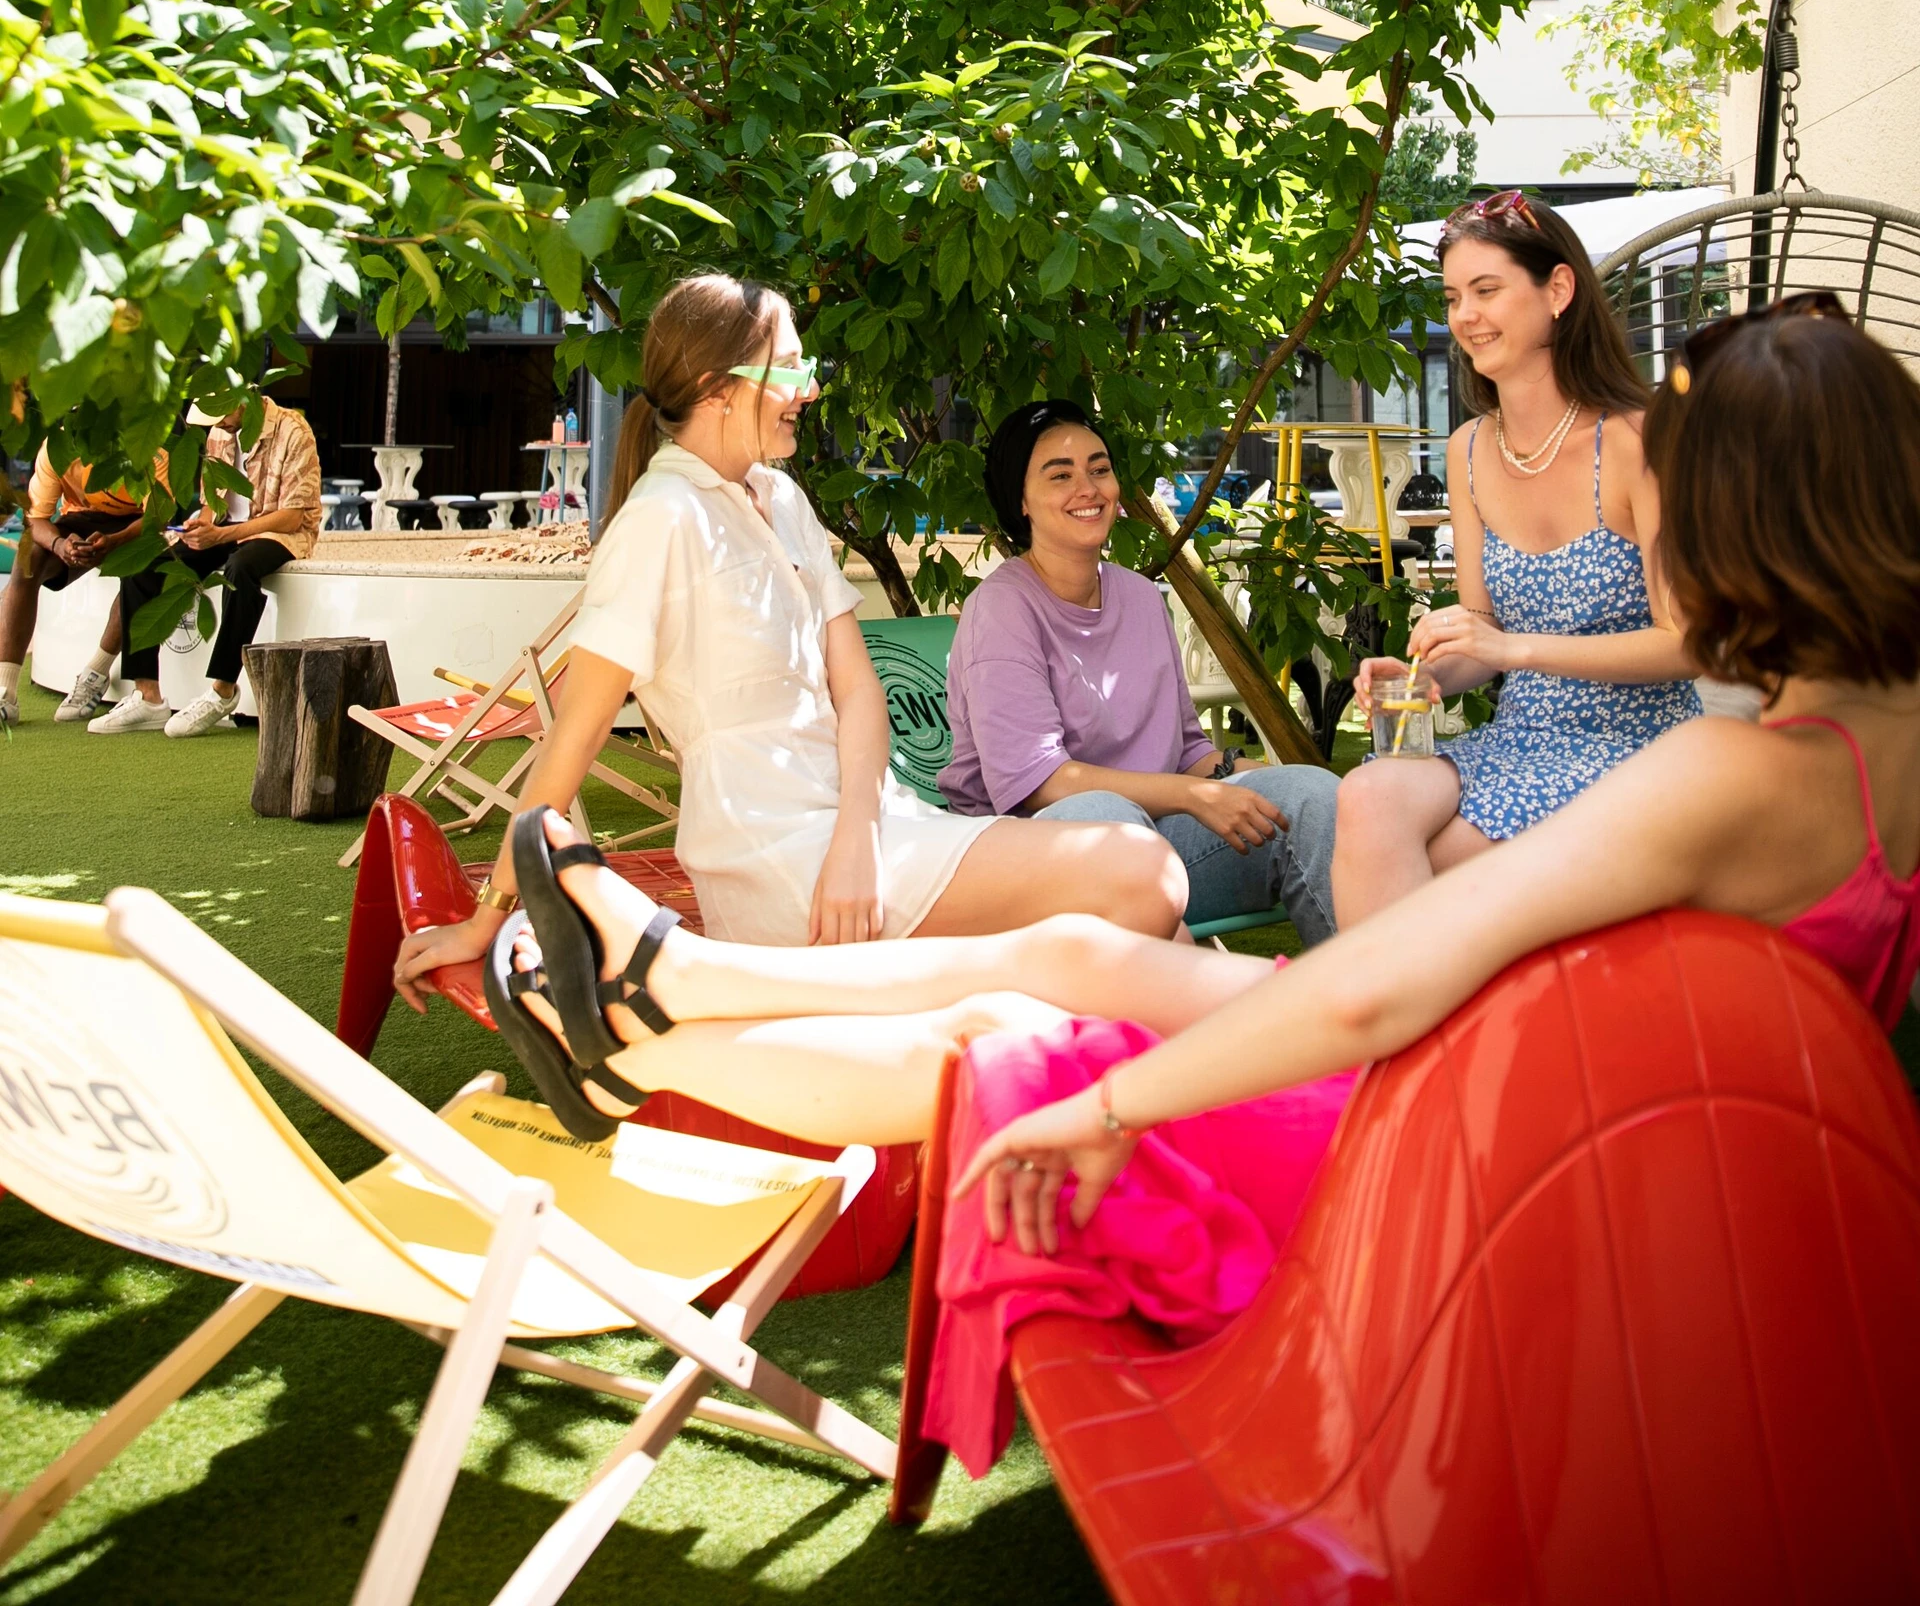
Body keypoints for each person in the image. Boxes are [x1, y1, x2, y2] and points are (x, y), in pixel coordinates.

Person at [450, 297, 1920, 1475]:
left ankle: (640, 1024)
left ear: (1749, 527)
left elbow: (1374, 989)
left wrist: (1113, 1109)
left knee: (1034, 1045)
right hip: (1562, 1112)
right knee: (1083, 952)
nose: (1658, 557)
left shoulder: (1743, 775)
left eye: (1670, 523)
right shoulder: (1871, 734)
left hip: (1499, 1156)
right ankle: (666, 988)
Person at [394, 276, 1189, 996]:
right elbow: (573, 738)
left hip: (871, 830)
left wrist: (857, 837)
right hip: (775, 856)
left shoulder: (780, 499)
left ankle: (1195, 1107)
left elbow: (858, 692)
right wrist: (490, 910)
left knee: (1160, 921)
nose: (808, 393)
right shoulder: (661, 521)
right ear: (717, 389)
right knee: (1138, 871)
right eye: (791, 372)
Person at [1331, 189, 1700, 924]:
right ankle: (1383, 1029)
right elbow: (1483, 635)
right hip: (1521, 738)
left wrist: (1512, 646)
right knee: (1367, 795)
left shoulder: (1638, 438)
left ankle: (1394, 1025)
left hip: (1641, 747)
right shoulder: (1471, 449)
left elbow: (1688, 641)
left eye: (1487, 290)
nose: (1464, 316)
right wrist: (1426, 671)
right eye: (1453, 296)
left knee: (1432, 864)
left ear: (1557, 289)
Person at [941, 401, 1340, 943]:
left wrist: (1245, 774)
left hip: (1154, 841)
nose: (1088, 488)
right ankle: (1198, 1006)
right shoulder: (1003, 608)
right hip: (1031, 855)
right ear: (1021, 501)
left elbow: (1188, 751)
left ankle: (1373, 1009)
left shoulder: (1141, 597)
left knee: (1315, 795)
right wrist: (1193, 797)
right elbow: (1038, 784)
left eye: (1099, 469)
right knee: (1104, 814)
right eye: (1060, 475)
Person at [84, 390, 322, 736]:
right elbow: (214, 500)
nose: (219, 425)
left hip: (279, 532)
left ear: (242, 401)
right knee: (144, 566)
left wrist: (222, 536)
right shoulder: (220, 432)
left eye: (222, 416)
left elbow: (293, 516)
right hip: (226, 529)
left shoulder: (293, 430)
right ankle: (147, 696)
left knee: (242, 568)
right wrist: (204, 524)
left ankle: (223, 690)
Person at [0, 445, 150, 728]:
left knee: (140, 572)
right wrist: (59, 545)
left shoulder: (143, 441)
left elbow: (159, 514)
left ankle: (95, 674)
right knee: (27, 558)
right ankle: (5, 695)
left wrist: (116, 541)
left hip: (138, 524)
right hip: (81, 518)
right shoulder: (54, 447)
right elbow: (37, 517)